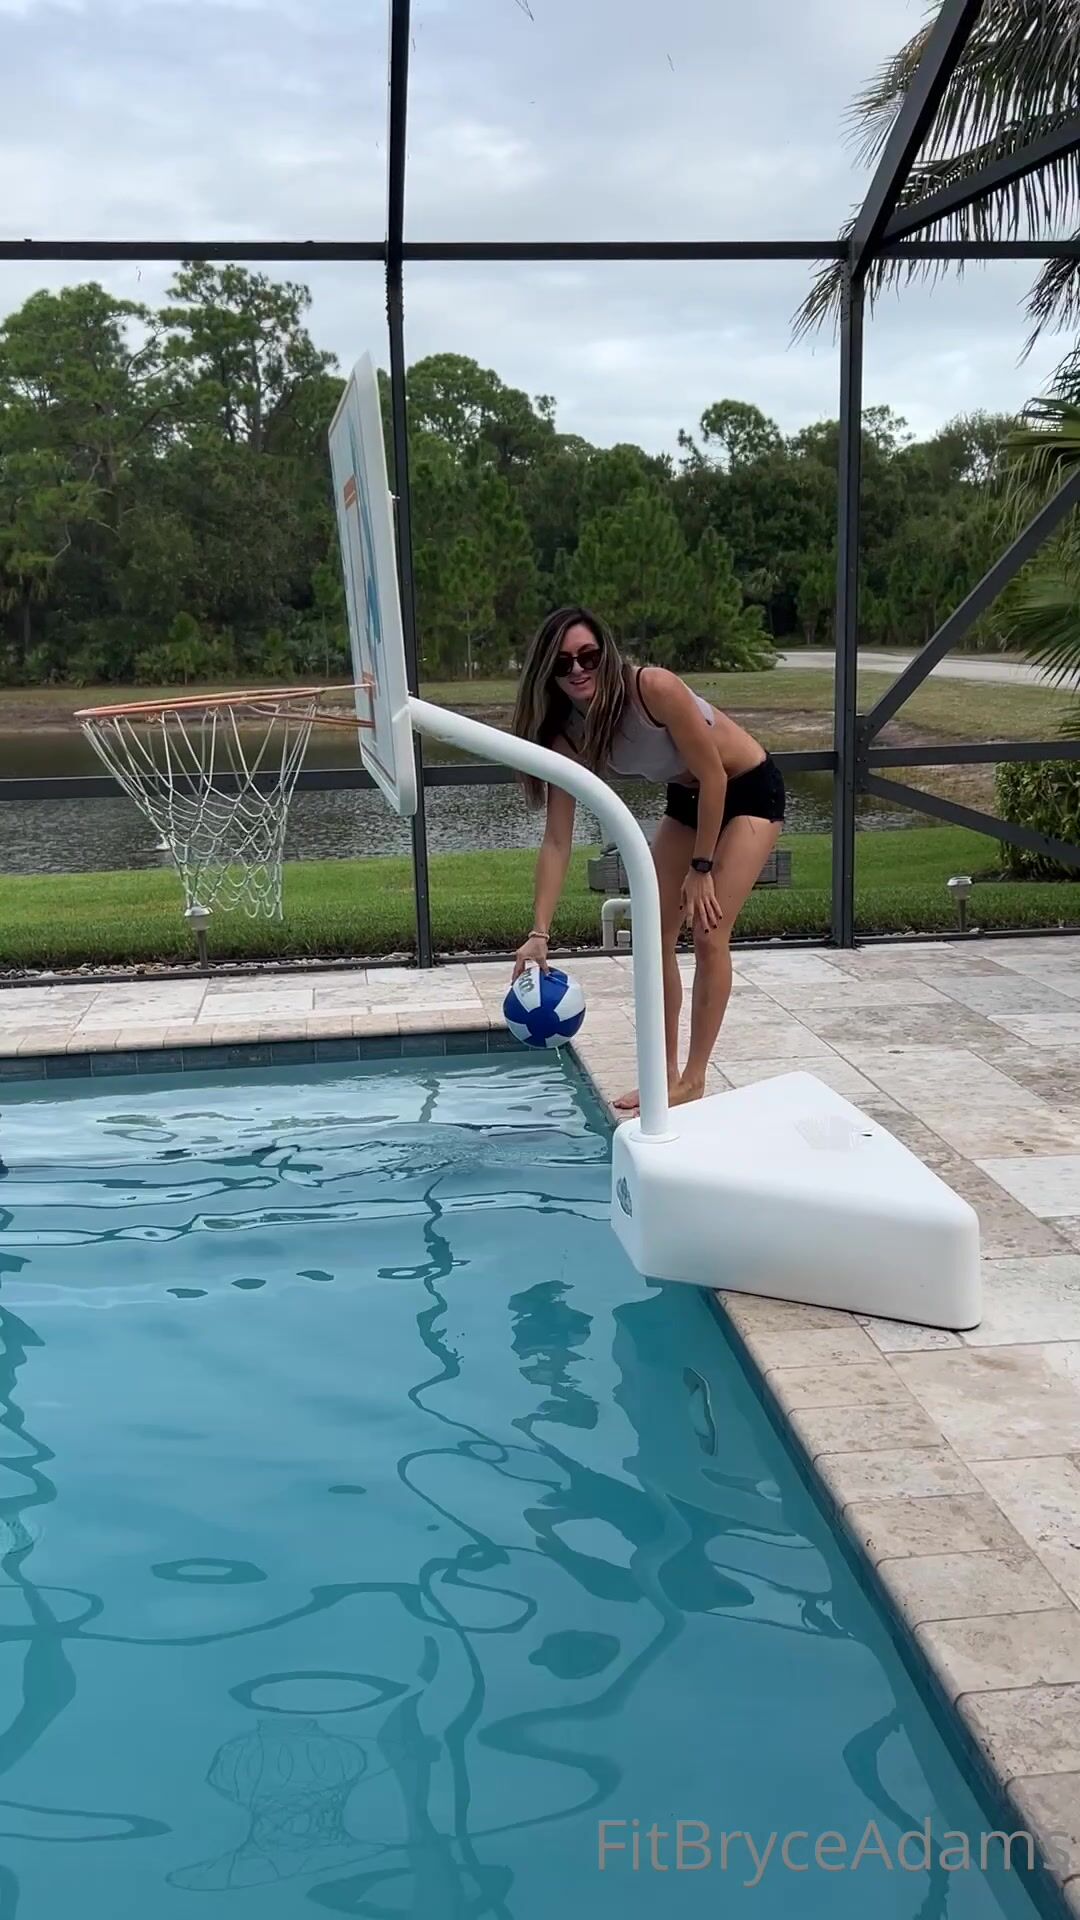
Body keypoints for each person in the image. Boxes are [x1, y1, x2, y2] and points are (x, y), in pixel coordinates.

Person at [510, 606, 785, 1113]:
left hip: (745, 789)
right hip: (688, 798)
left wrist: (701, 869)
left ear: (607, 653)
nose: (578, 670)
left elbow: (715, 777)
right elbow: (556, 841)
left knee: (708, 933)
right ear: (547, 672)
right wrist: (539, 932)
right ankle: (665, 1076)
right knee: (652, 935)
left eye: (588, 656)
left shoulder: (652, 688)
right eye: (563, 663)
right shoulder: (566, 736)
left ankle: (694, 1079)